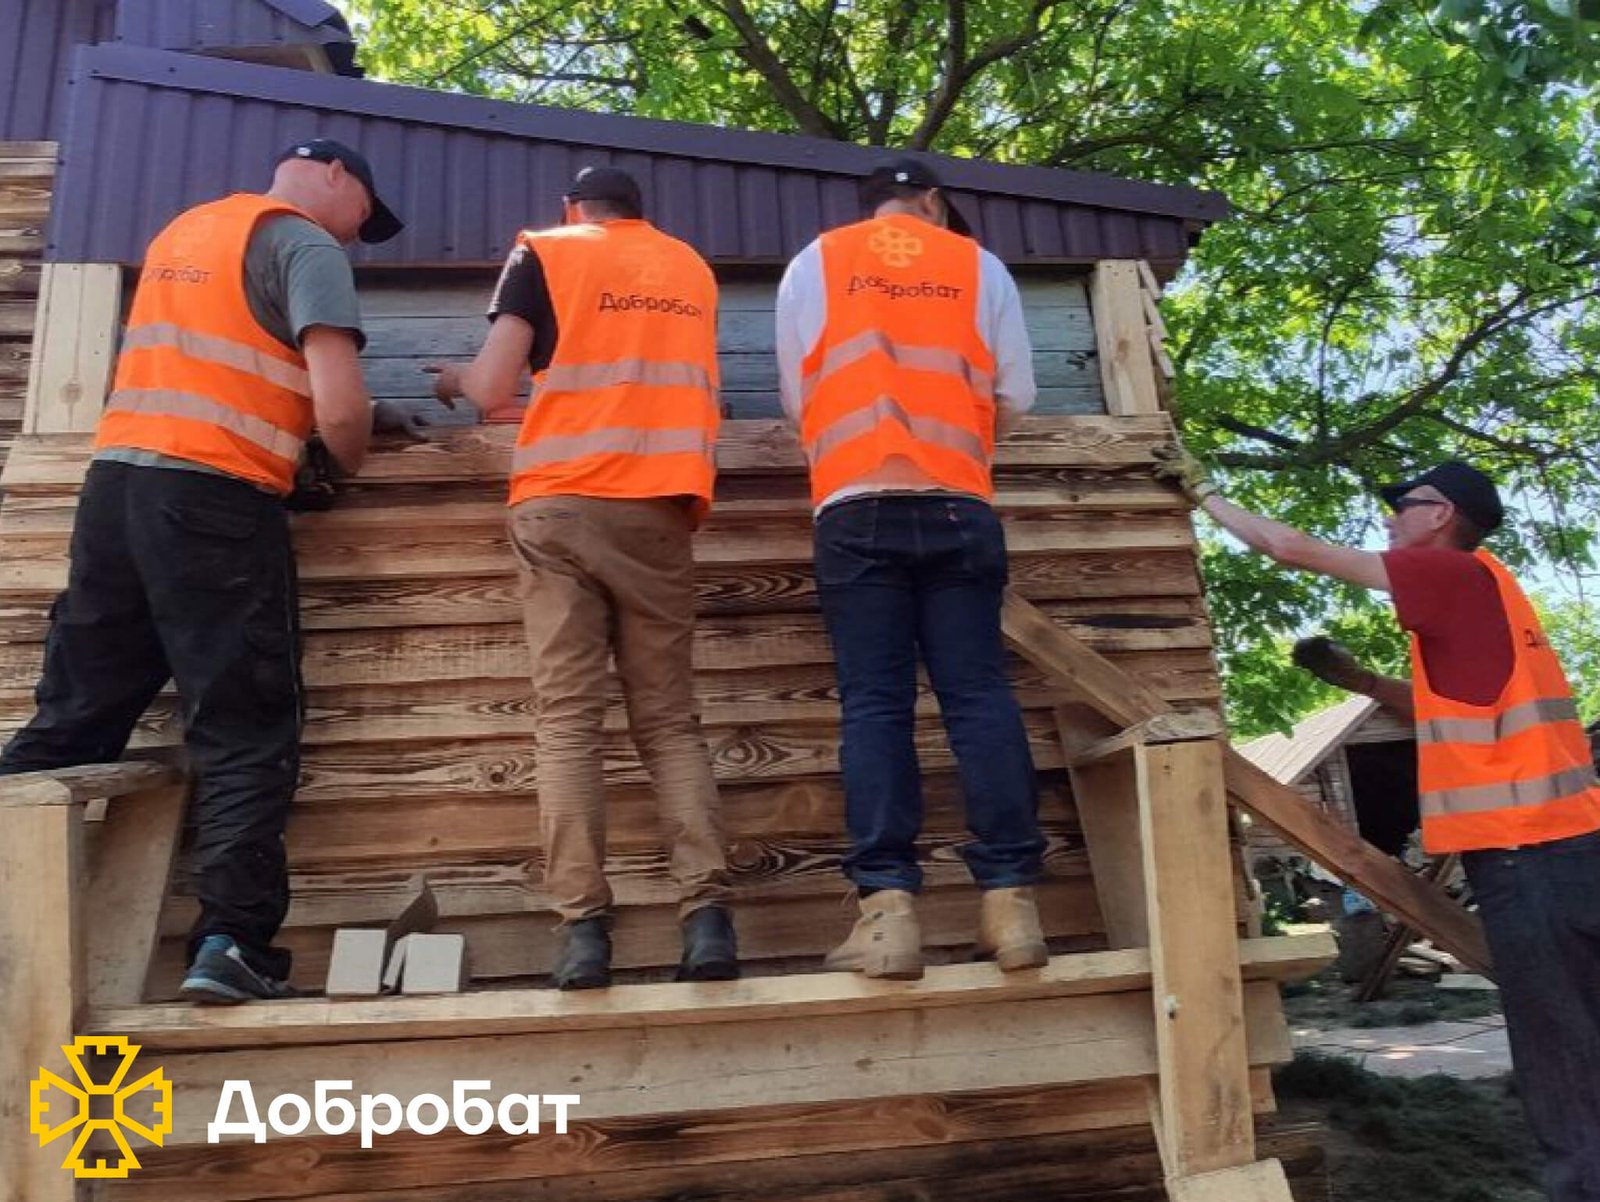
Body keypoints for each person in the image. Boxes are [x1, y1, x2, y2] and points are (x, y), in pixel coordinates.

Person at [0, 138, 405, 1003]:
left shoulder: (189, 232)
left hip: (114, 493)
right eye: (364, 216)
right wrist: (339, 464)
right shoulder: (305, 243)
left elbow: (222, 366)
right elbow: (337, 409)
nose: (358, 235)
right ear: (337, 177)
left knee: (73, 721)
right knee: (245, 723)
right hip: (215, 503)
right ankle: (232, 944)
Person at [1157, 447, 1600, 1202]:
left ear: (1442, 517)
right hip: (1568, 850)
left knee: (1560, 1052)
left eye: (1406, 505)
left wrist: (1203, 491)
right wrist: (1360, 681)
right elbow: (1451, 712)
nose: (1391, 519)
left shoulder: (1452, 570)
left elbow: (1290, 548)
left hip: (1527, 856)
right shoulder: (1491, 594)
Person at [428, 166, 737, 990]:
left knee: (568, 723)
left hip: (560, 504)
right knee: (670, 723)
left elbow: (495, 386)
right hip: (660, 510)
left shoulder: (545, 251)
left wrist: (454, 382)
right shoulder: (689, 268)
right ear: (640, 215)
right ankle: (706, 921)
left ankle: (583, 934)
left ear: (574, 210)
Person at [774, 155, 1050, 981]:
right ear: (932, 201)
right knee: (979, 698)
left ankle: (889, 916)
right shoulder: (980, 264)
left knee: (875, 707)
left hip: (855, 506)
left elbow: (798, 397)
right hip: (960, 502)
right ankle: (1012, 909)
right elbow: (1019, 394)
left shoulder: (815, 261)